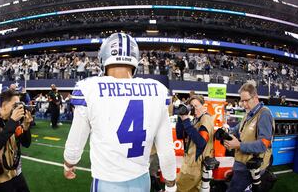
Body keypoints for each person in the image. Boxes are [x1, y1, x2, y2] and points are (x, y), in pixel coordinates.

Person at [63, 33, 177, 192]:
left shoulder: (89, 88)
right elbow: (166, 149)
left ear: (104, 57)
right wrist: (171, 183)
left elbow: (76, 139)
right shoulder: (158, 90)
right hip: (142, 180)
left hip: (107, 181)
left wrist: (70, 163)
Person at [224, 83, 274, 192]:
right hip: (241, 163)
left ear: (256, 97)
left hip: (250, 167)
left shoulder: (264, 114)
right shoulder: (248, 115)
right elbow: (236, 131)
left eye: (246, 100)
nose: (244, 104)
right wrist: (227, 135)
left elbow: (264, 144)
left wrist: (238, 145)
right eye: (242, 101)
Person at [0, 90, 32, 192]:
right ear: (4, 105)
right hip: (0, 174)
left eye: (20, 104)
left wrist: (26, 126)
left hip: (14, 170)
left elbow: (26, 143)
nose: (19, 108)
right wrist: (13, 121)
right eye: (15, 105)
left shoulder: (14, 120)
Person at [175, 95, 214, 192]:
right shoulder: (195, 120)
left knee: (179, 188)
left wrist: (186, 122)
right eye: (191, 106)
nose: (193, 109)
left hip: (195, 167)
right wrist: (181, 118)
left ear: (203, 106)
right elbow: (180, 135)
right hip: (189, 164)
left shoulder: (206, 119)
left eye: (196, 106)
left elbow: (201, 143)